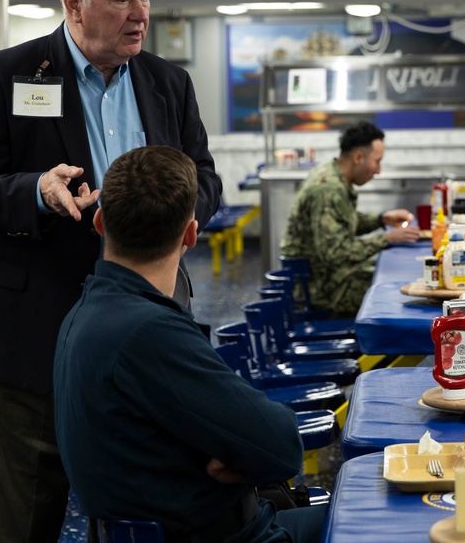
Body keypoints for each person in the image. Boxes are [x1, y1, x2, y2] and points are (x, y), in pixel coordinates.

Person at [0, 0, 221, 543]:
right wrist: (35, 191)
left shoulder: (169, 83)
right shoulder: (9, 73)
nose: (141, 14)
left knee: (147, 520)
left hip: (148, 334)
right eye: (123, 0)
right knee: (20, 522)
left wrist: (172, 216)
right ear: (75, 4)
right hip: (32, 334)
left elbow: (206, 177)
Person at [54, 146, 323, 543]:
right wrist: (233, 452)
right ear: (191, 234)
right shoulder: (147, 331)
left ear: (98, 221)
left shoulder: (83, 314)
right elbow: (281, 446)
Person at [280, 121, 419, 314]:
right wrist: (386, 239)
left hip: (325, 276)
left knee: (393, 279)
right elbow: (335, 254)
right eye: (377, 161)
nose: (379, 170)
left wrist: (381, 220)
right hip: (318, 288)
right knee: (399, 294)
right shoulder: (328, 189)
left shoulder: (330, 173)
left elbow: (341, 222)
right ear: (358, 157)